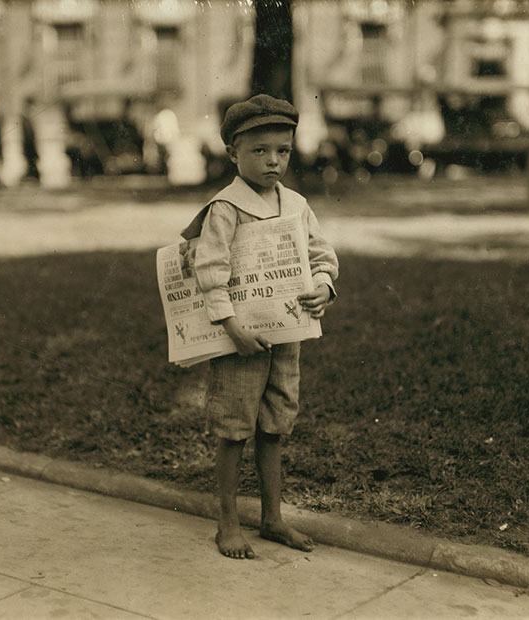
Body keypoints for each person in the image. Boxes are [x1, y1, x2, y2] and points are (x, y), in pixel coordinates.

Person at [180, 94, 339, 559]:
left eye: (283, 151)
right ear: (233, 153)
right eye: (259, 150)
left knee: (275, 426)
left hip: (286, 337)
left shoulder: (295, 204)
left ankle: (273, 519)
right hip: (240, 341)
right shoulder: (226, 207)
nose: (273, 161)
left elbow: (321, 255)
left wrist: (324, 286)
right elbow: (210, 270)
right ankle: (227, 522)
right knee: (234, 428)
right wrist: (231, 326)